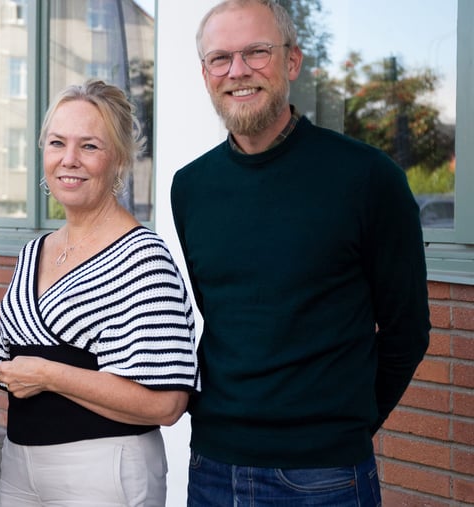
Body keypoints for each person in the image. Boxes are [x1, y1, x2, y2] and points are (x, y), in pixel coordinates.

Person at [171, 1, 431, 505]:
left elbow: (408, 331)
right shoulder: (191, 187)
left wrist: (341, 431)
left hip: (325, 478)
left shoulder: (367, 178)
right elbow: (222, 316)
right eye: (220, 58)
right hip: (212, 469)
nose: (237, 70)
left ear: (292, 61)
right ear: (205, 75)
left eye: (256, 52)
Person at [0, 79, 199, 507]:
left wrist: (49, 374)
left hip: (103, 469)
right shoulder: (34, 252)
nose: (69, 159)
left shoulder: (142, 257)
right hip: (19, 464)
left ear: (118, 158)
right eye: (57, 143)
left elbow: (167, 403)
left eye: (89, 146)